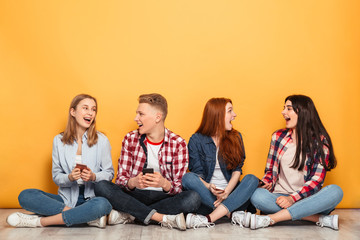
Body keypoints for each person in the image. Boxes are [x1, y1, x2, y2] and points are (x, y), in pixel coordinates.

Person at [94, 93, 201, 231]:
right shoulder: (130, 139)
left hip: (163, 198)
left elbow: (180, 186)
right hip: (134, 195)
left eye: (141, 114)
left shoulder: (178, 143)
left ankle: (129, 215)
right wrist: (133, 182)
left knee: (193, 198)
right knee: (101, 186)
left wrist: (164, 184)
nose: (136, 118)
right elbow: (120, 179)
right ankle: (161, 218)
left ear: (158, 117)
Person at [6, 94, 114, 228]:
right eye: (85, 108)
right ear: (73, 112)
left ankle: (39, 222)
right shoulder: (59, 140)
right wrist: (69, 177)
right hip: (65, 200)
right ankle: (85, 217)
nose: (90, 113)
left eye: (93, 109)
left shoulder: (102, 140)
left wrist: (93, 176)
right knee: (26, 195)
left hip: (92, 199)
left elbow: (109, 173)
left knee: (103, 205)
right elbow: (56, 177)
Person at [249, 94, 343, 230]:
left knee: (336, 191)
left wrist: (293, 198)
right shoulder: (278, 137)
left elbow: (317, 180)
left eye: (289, 109)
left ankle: (272, 218)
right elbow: (270, 171)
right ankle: (317, 218)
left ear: (303, 112)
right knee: (257, 196)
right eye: (284, 108)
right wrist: (266, 182)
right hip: (279, 198)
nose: (283, 112)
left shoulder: (320, 141)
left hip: (307, 199)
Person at [182, 98, 259, 229]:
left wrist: (227, 192)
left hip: (234, 196)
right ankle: (231, 214)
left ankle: (209, 218)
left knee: (252, 179)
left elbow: (237, 169)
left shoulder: (236, 137)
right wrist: (209, 187)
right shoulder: (196, 140)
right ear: (217, 115)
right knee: (187, 178)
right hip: (208, 197)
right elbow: (197, 174)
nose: (234, 115)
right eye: (230, 111)